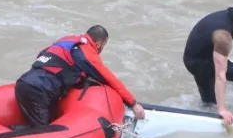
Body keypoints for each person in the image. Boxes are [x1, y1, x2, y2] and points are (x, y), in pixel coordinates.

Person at [14, 25, 146, 128]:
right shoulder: (87, 54)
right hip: (39, 90)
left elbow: (44, 57)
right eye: (103, 46)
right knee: (42, 136)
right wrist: (133, 104)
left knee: (42, 123)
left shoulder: (67, 40)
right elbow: (110, 79)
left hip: (24, 82)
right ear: (99, 44)